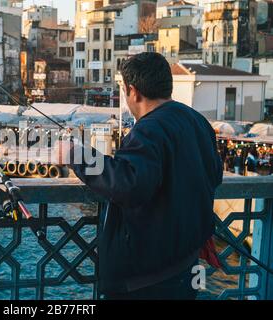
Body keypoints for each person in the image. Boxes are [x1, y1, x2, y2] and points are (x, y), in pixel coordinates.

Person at [56, 52, 223, 300]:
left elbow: (129, 183)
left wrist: (76, 155)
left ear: (132, 91)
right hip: (186, 265)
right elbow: (215, 174)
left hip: (147, 279)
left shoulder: (148, 129)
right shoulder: (197, 121)